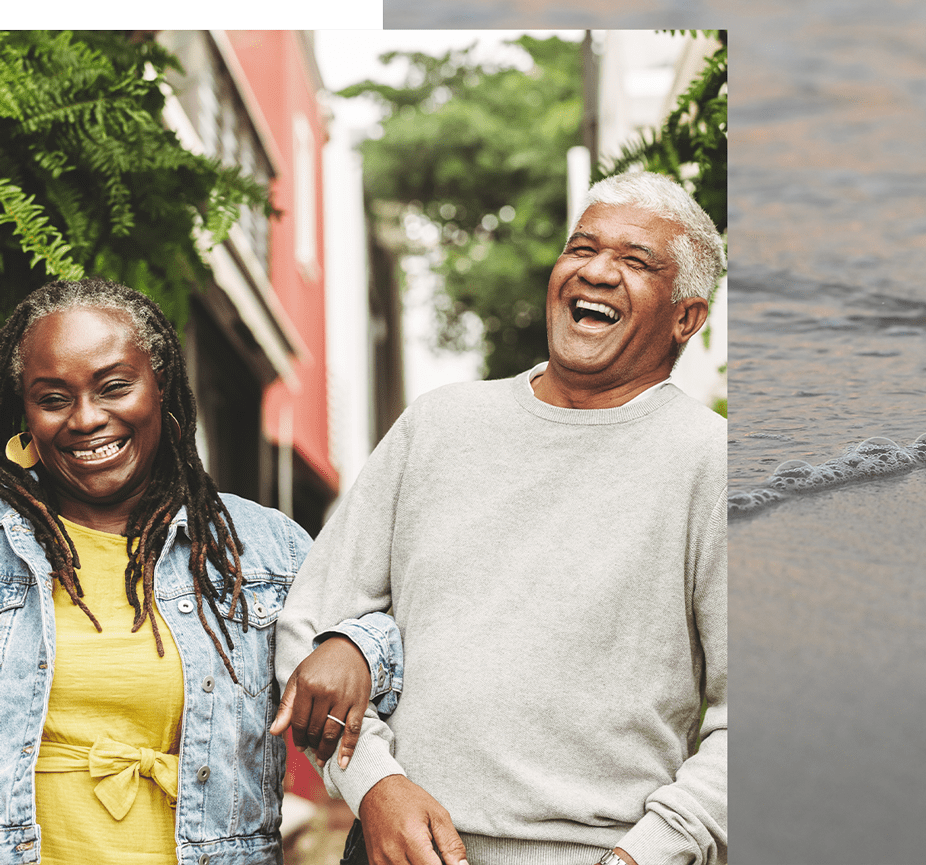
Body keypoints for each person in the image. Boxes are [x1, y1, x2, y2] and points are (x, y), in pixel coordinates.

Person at [276, 171, 727, 865]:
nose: (597, 271)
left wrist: (647, 857)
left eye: (636, 261)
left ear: (686, 317)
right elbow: (310, 624)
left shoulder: (714, 464)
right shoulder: (439, 425)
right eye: (582, 248)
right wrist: (372, 785)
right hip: (397, 847)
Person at [0, 278, 402, 864]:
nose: (86, 419)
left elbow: (401, 647)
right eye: (54, 398)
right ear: (26, 414)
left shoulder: (261, 551)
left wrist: (356, 645)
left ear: (160, 389)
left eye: (114, 387)